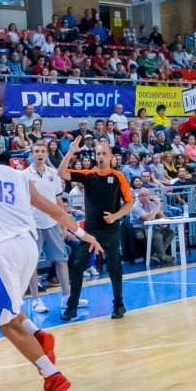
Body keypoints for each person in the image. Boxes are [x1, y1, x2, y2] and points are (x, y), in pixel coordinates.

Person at [0, 77, 101, 391]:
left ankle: (51, 376)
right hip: (29, 247)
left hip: (1, 250)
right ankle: (40, 335)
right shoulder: (18, 175)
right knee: (11, 313)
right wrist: (85, 235)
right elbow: (56, 212)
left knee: (4, 323)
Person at [58, 137, 134, 321]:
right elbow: (62, 172)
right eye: (98, 153)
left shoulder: (118, 177)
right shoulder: (87, 175)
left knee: (115, 267)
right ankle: (72, 307)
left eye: (104, 154)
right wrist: (71, 151)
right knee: (78, 267)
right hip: (90, 230)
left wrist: (115, 216)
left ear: (110, 157)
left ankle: (119, 305)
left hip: (110, 230)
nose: (100, 157)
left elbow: (129, 203)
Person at [24, 141, 85, 314]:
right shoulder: (23, 175)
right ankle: (35, 300)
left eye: (43, 151)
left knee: (61, 259)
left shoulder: (54, 174)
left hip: (52, 223)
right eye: (36, 151)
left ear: (47, 154)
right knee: (31, 264)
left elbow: (58, 201)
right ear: (32, 153)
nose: (40, 154)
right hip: (33, 226)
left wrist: (63, 224)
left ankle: (67, 297)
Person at [130, 188, 174, 264]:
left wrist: (163, 224)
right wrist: (158, 206)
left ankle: (157, 255)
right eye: (142, 195)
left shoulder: (151, 203)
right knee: (158, 235)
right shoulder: (136, 207)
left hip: (152, 227)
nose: (145, 197)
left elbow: (161, 216)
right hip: (140, 229)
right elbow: (147, 218)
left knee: (170, 232)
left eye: (147, 195)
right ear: (138, 197)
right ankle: (163, 257)